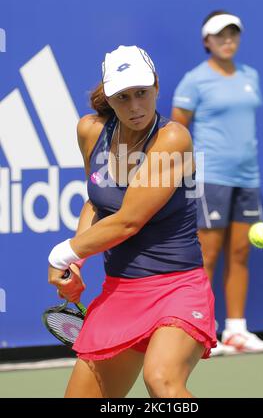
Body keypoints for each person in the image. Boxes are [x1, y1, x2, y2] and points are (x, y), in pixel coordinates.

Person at [48, 45, 217, 398]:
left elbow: (128, 222)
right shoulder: (91, 131)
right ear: (110, 98)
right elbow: (96, 204)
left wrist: (61, 254)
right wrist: (77, 262)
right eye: (123, 97)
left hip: (177, 288)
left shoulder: (173, 138)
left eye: (142, 93)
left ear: (156, 87)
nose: (135, 106)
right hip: (121, 291)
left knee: (161, 379)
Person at [171, 11, 263, 355]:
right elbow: (178, 131)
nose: (227, 40)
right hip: (211, 176)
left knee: (242, 252)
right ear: (206, 41)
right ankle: (202, 331)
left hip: (248, 176)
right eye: (220, 35)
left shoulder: (250, 75)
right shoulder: (195, 80)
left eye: (233, 34)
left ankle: (237, 331)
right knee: (207, 255)